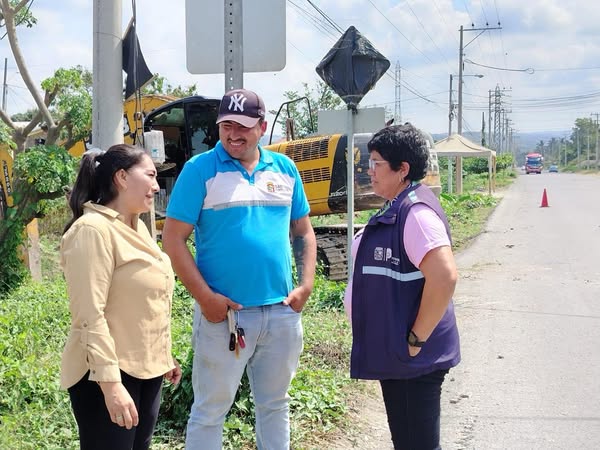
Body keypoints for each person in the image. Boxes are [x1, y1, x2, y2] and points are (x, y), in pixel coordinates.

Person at [162, 88, 317, 450]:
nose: (233, 134)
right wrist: (206, 299)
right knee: (210, 410)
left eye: (243, 126)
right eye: (226, 125)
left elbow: (303, 231)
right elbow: (173, 239)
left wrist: (306, 284)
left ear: (262, 127)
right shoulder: (199, 170)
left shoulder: (285, 169)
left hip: (280, 312)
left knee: (275, 405)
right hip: (225, 317)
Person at [344, 123, 460, 450]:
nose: (369, 170)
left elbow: (444, 276)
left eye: (377, 163)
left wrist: (415, 340)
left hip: (412, 359)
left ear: (402, 169)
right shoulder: (399, 204)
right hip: (399, 355)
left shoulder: (416, 214)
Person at [60, 144, 182, 450]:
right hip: (105, 373)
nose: (157, 186)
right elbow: (89, 315)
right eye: (150, 175)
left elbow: (145, 301)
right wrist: (111, 385)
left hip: (146, 369)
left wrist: (162, 354)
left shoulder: (138, 229)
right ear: (122, 177)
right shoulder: (92, 230)